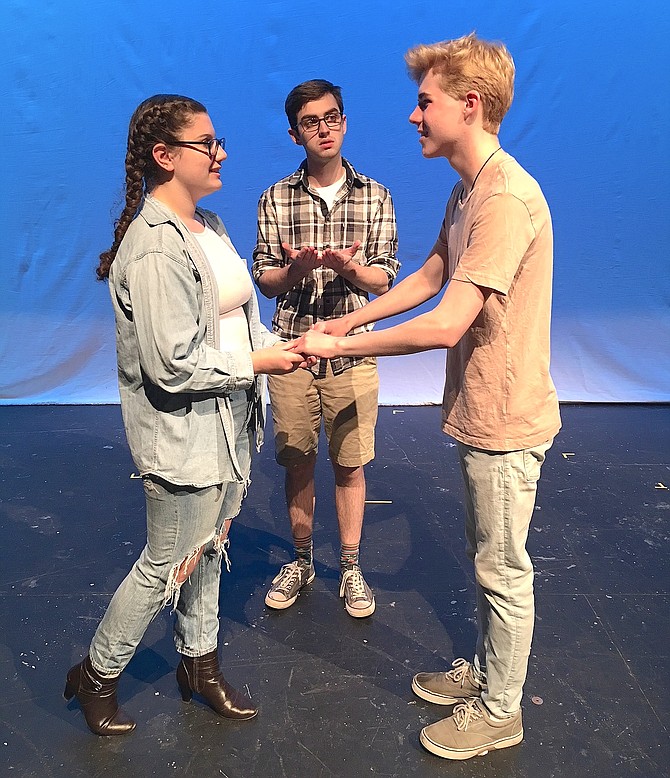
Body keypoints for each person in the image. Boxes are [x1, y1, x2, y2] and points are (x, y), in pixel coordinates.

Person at [295, 35, 561, 760]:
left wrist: (338, 347)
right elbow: (431, 274)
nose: (414, 116)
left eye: (425, 101)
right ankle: (488, 675)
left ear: (468, 106)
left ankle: (502, 708)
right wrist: (348, 316)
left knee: (501, 568)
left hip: (507, 418)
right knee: (486, 557)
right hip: (483, 411)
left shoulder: (505, 197)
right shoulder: (469, 188)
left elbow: (446, 324)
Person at [64, 94, 311, 736]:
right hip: (183, 431)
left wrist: (271, 350)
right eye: (208, 143)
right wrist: (259, 366)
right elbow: (170, 364)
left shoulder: (212, 228)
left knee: (209, 546)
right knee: (165, 561)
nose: (221, 152)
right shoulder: (150, 250)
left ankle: (198, 665)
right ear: (165, 156)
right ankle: (97, 672)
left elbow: (240, 318)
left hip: (230, 422)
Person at [252, 80, 400, 618]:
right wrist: (295, 269)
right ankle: (301, 559)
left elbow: (384, 279)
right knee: (296, 459)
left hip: (352, 350)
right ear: (296, 133)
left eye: (332, 116)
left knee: (351, 462)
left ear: (344, 120)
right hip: (292, 349)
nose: (324, 128)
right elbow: (264, 280)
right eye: (311, 121)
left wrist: (346, 268)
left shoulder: (376, 195)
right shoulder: (275, 197)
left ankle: (352, 565)